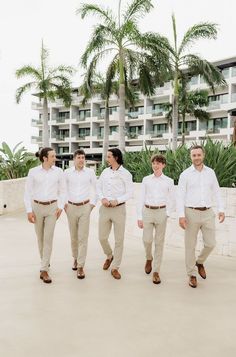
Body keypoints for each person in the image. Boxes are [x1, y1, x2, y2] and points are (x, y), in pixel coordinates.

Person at [177, 145, 225, 288]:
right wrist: (181, 215)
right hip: (190, 212)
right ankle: (191, 274)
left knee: (211, 243)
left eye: (199, 155)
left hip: (208, 212)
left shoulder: (210, 172)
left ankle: (200, 262)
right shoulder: (185, 174)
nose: (196, 157)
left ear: (203, 155)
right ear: (190, 157)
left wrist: (221, 209)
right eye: (194, 155)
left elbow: (216, 191)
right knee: (190, 246)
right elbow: (180, 196)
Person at [24, 147, 66, 283]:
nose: (55, 158)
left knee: (48, 238)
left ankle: (44, 270)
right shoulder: (33, 172)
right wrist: (29, 210)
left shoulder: (59, 172)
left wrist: (60, 207)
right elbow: (27, 193)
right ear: (44, 158)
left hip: (52, 208)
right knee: (40, 238)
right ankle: (45, 261)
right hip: (36, 207)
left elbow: (63, 191)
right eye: (53, 156)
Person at [137, 154, 175, 284]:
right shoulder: (146, 179)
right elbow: (141, 198)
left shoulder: (169, 181)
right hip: (147, 211)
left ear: (163, 165)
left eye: (158, 163)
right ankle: (149, 258)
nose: (155, 165)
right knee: (147, 240)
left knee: (159, 243)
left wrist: (167, 213)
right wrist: (139, 216)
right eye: (154, 163)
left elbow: (172, 199)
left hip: (161, 212)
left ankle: (156, 271)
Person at [97, 148, 134, 280]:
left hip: (119, 209)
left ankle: (115, 267)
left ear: (116, 158)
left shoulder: (126, 174)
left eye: (109, 157)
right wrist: (102, 198)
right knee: (102, 237)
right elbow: (98, 187)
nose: (107, 159)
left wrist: (117, 200)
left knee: (119, 240)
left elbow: (130, 193)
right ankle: (109, 255)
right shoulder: (105, 172)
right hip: (104, 209)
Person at [64, 149, 97, 279]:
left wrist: (92, 205)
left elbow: (96, 188)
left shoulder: (90, 172)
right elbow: (62, 189)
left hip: (85, 207)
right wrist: (65, 205)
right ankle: (75, 258)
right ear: (74, 159)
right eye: (79, 157)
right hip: (71, 207)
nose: (81, 159)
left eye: (83, 157)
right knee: (74, 237)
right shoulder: (66, 173)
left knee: (83, 237)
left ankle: (81, 266)